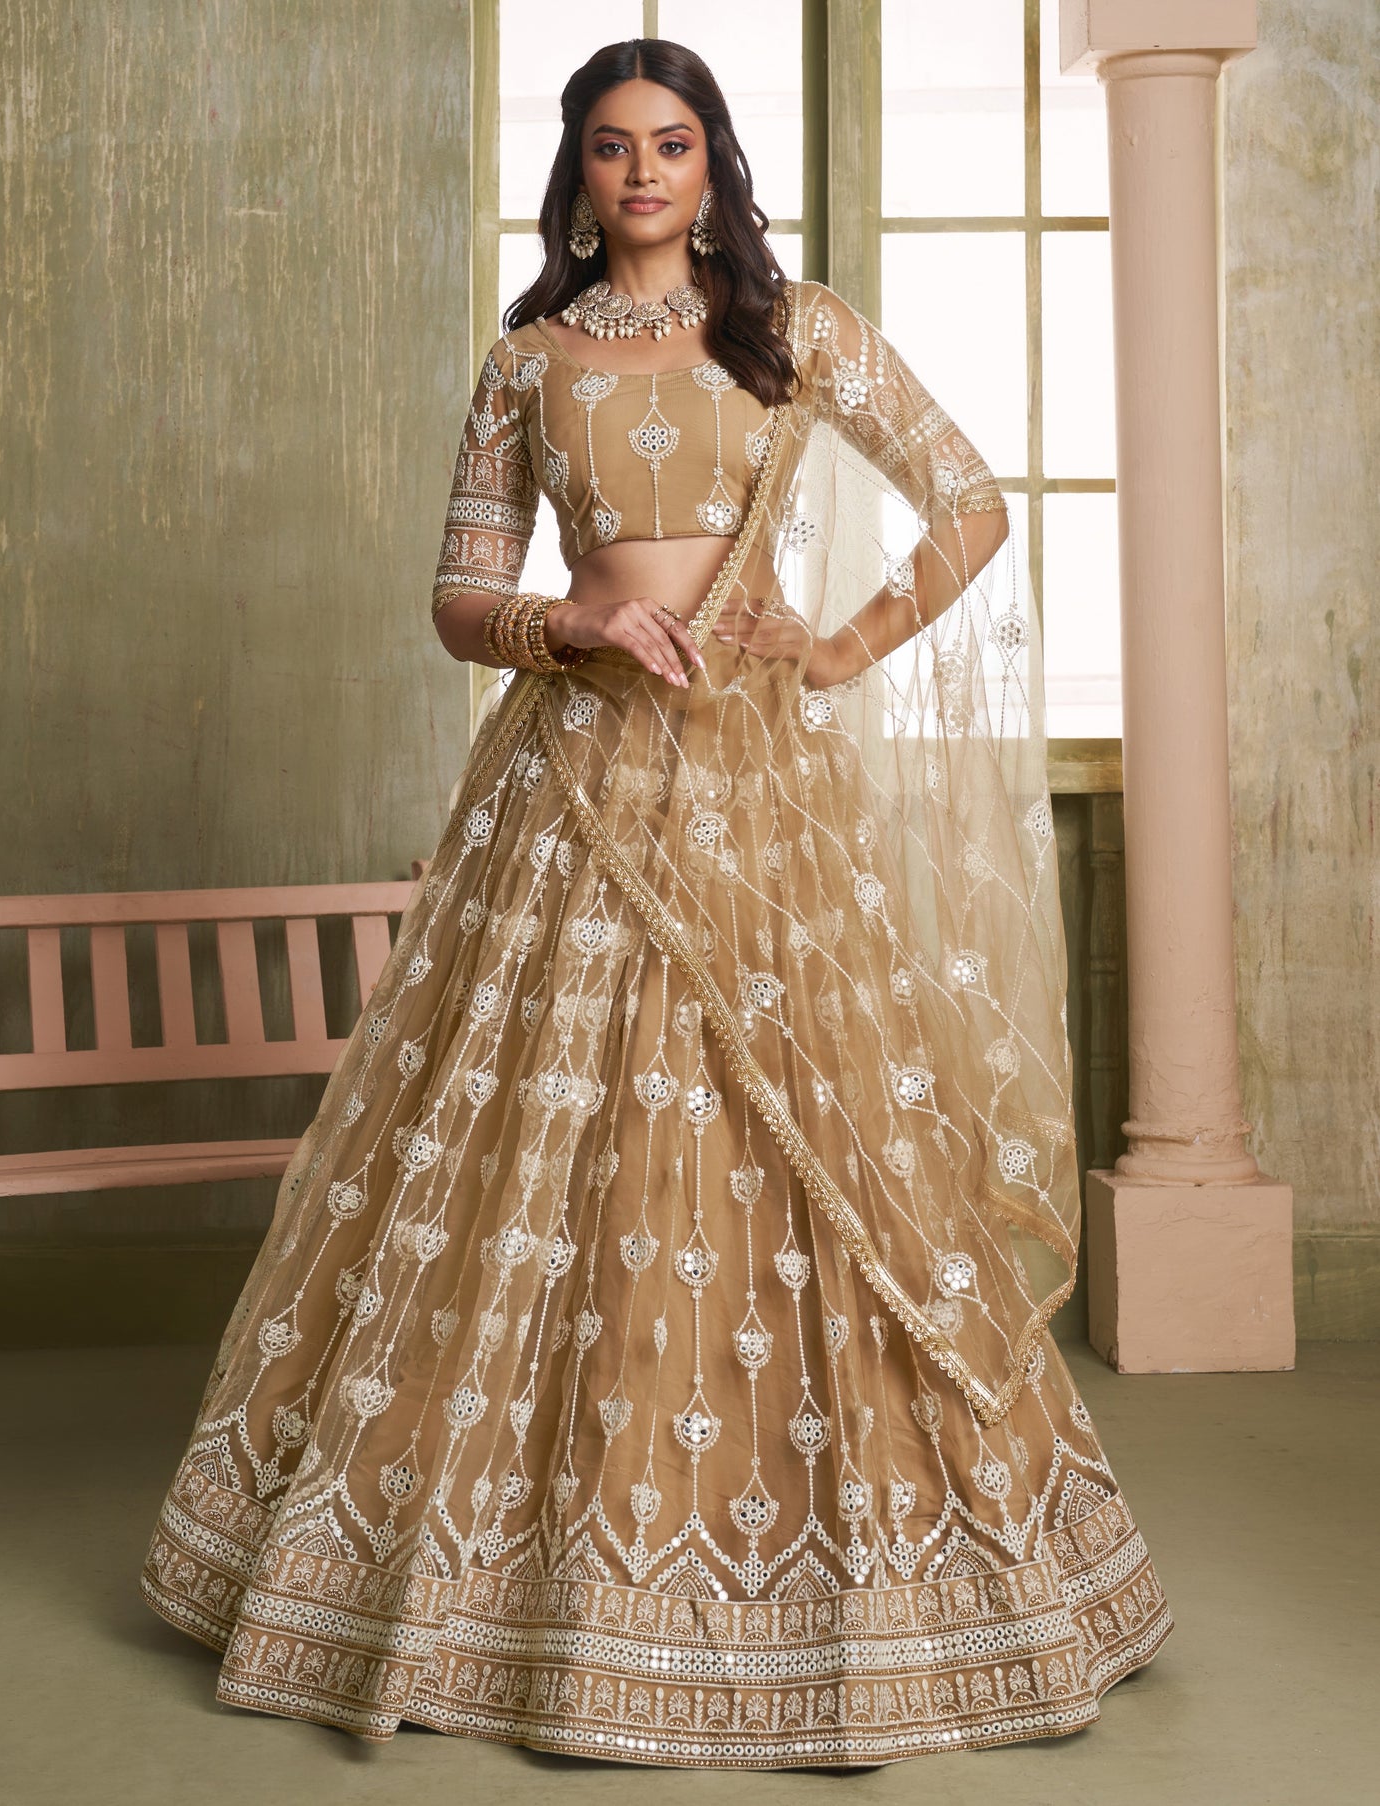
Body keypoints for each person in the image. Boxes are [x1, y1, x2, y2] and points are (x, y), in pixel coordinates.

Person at [139, 36, 1173, 1768]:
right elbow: (462, 595)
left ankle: (856, 1581)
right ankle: (519, 1590)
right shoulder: (527, 360)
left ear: (711, 164)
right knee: (556, 1151)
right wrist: (580, 627)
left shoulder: (795, 330)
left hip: (759, 793)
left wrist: (835, 645)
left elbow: (971, 505)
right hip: (570, 798)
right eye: (612, 148)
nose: (641, 174)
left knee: (806, 1147)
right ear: (578, 170)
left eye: (671, 144)